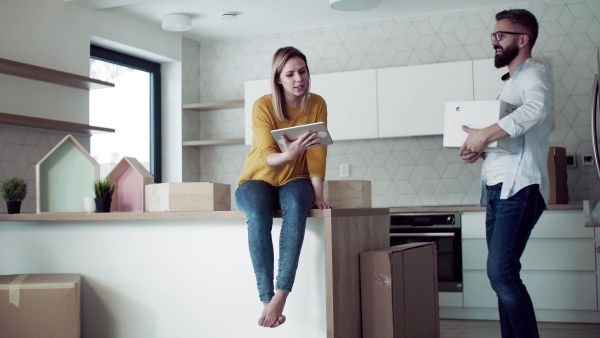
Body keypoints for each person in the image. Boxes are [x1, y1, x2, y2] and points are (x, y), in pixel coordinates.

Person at [459, 9, 553, 338]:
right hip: (498, 189)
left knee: (500, 275)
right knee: (503, 276)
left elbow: (536, 109)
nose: (495, 42)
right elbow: (513, 139)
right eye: (493, 36)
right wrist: (480, 149)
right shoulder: (510, 83)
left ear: (523, 40)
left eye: (501, 35)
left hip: (520, 188)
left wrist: (485, 133)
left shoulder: (534, 73)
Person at [235, 46, 332, 329]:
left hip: (296, 179)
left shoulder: (317, 104)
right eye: (290, 74)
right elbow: (266, 152)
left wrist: (319, 196)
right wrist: (289, 154)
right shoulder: (263, 106)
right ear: (278, 78)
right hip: (258, 177)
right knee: (257, 213)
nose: (298, 79)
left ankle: (281, 294)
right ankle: (267, 300)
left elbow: (317, 153)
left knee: (297, 208)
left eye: (302, 71)